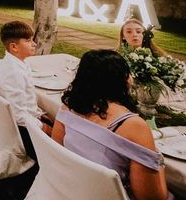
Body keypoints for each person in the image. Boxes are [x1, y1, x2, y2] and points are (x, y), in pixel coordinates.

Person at [52, 50, 169, 200]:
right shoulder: (133, 126)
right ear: (123, 79)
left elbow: (57, 152)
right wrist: (159, 163)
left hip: (67, 189)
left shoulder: (67, 108)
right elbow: (152, 197)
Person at [0, 21, 52, 160]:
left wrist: (38, 114)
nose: (34, 44)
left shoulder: (16, 63)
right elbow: (19, 116)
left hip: (25, 118)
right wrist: (44, 127)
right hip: (19, 130)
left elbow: (25, 101)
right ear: (14, 47)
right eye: (28, 40)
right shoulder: (14, 72)